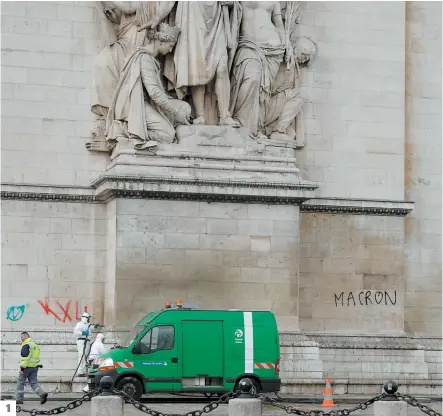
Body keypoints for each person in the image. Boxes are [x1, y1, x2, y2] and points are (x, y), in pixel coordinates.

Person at [105, 22, 193, 150]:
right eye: (171, 45)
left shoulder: (151, 59)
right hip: (136, 105)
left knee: (186, 108)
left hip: (147, 103)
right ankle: (128, 131)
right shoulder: (145, 58)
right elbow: (154, 92)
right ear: (161, 42)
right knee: (168, 134)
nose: (170, 50)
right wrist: (174, 112)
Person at [16, 332, 48, 405]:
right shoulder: (35, 345)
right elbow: (36, 356)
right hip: (35, 367)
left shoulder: (26, 345)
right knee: (34, 382)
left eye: (22, 337)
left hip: (26, 367)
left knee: (20, 383)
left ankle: (19, 399)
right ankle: (42, 394)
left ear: (26, 337)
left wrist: (22, 369)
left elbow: (25, 358)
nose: (21, 339)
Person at [73, 312, 92, 377]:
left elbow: (91, 328)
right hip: (82, 341)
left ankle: (84, 371)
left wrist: (95, 326)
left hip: (87, 342)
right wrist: (83, 333)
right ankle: (80, 372)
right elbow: (75, 332)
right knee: (81, 356)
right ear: (85, 318)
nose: (89, 319)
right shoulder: (79, 324)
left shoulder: (88, 325)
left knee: (86, 357)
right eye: (88, 318)